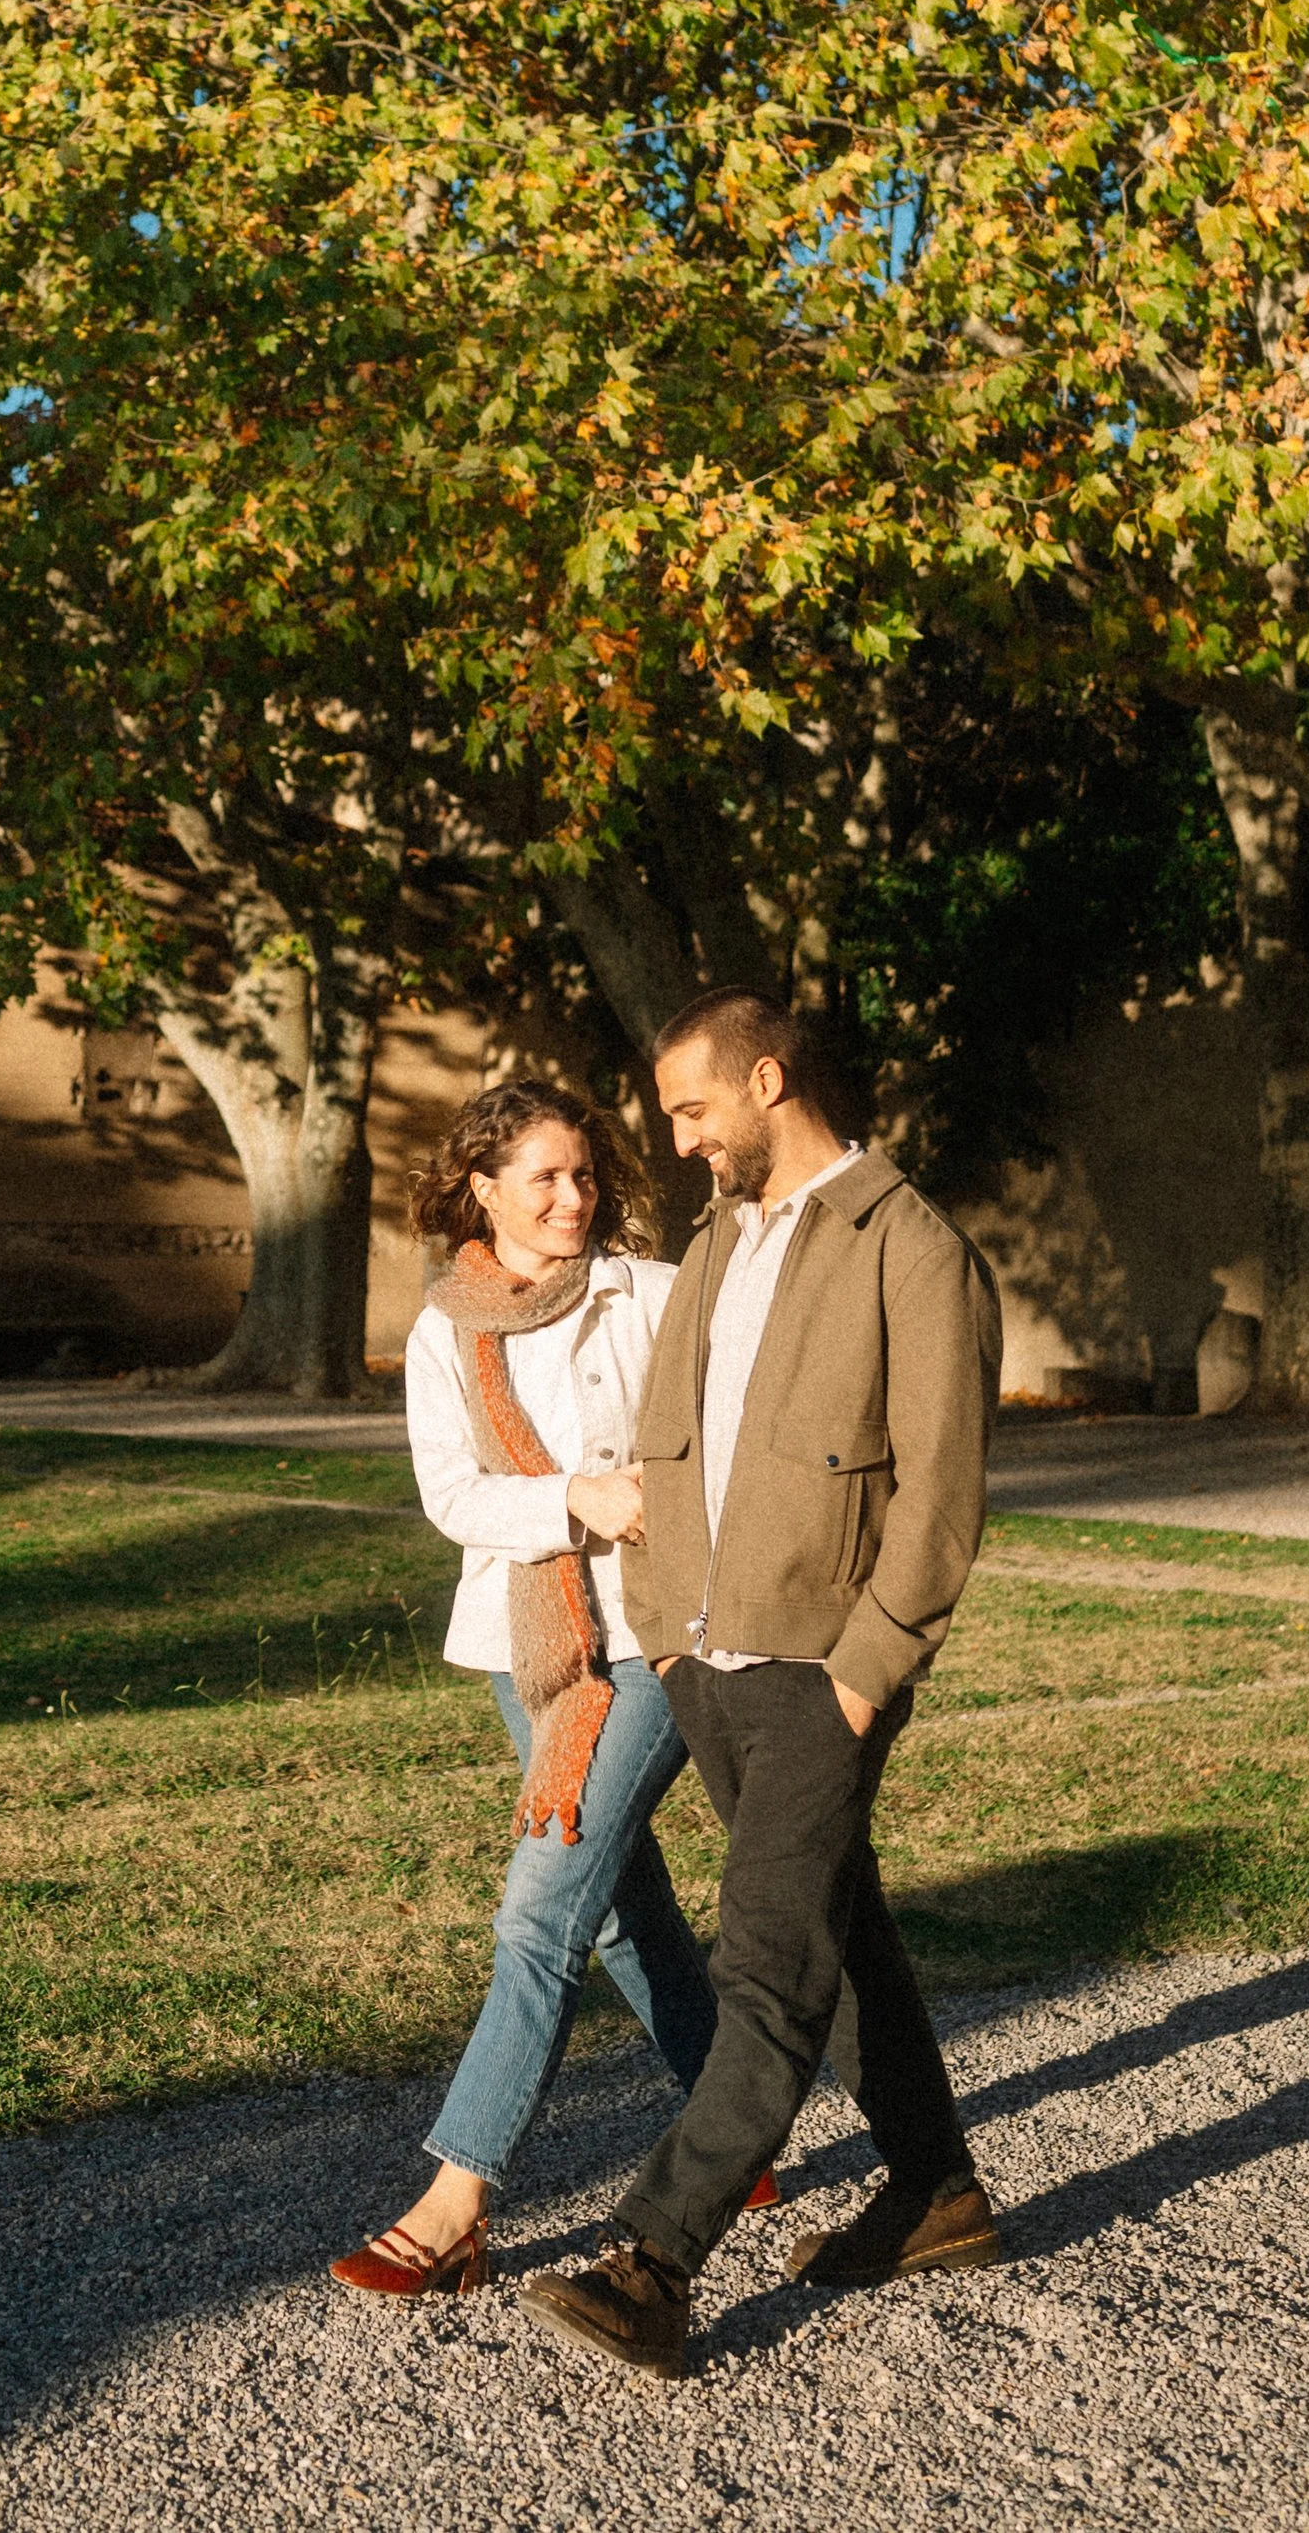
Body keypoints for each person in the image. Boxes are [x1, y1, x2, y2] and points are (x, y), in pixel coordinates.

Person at [520, 990, 1003, 2381]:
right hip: (708, 1659)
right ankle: (938, 2188)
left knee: (770, 1956)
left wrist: (868, 1671)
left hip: (822, 1665)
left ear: (769, 1079)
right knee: (837, 1929)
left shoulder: (912, 1249)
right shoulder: (719, 1241)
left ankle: (654, 2258)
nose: (678, 1143)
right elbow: (671, 1442)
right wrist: (666, 1630)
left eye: (691, 1109)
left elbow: (941, 1493)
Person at [330, 1076, 774, 2302]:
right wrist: (575, 1496)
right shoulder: (446, 1326)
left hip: (651, 1632)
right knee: (622, 1909)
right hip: (524, 1648)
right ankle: (733, 2133)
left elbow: (739, 1412)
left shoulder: (653, 1290)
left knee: (541, 1908)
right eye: (544, 1176)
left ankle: (454, 2199)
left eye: (584, 1174)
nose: (574, 1196)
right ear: (482, 1186)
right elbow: (453, 1497)